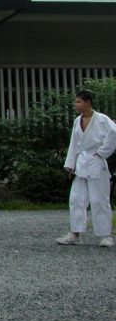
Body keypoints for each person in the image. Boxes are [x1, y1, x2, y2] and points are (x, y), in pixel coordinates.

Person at [56, 90, 116, 247]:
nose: (76, 105)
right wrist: (70, 165)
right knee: (76, 199)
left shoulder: (102, 119)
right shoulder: (78, 121)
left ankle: (105, 236)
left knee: (99, 200)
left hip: (96, 163)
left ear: (88, 102)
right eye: (76, 102)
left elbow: (114, 133)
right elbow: (74, 143)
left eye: (79, 102)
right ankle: (75, 233)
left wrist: (102, 152)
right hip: (81, 163)